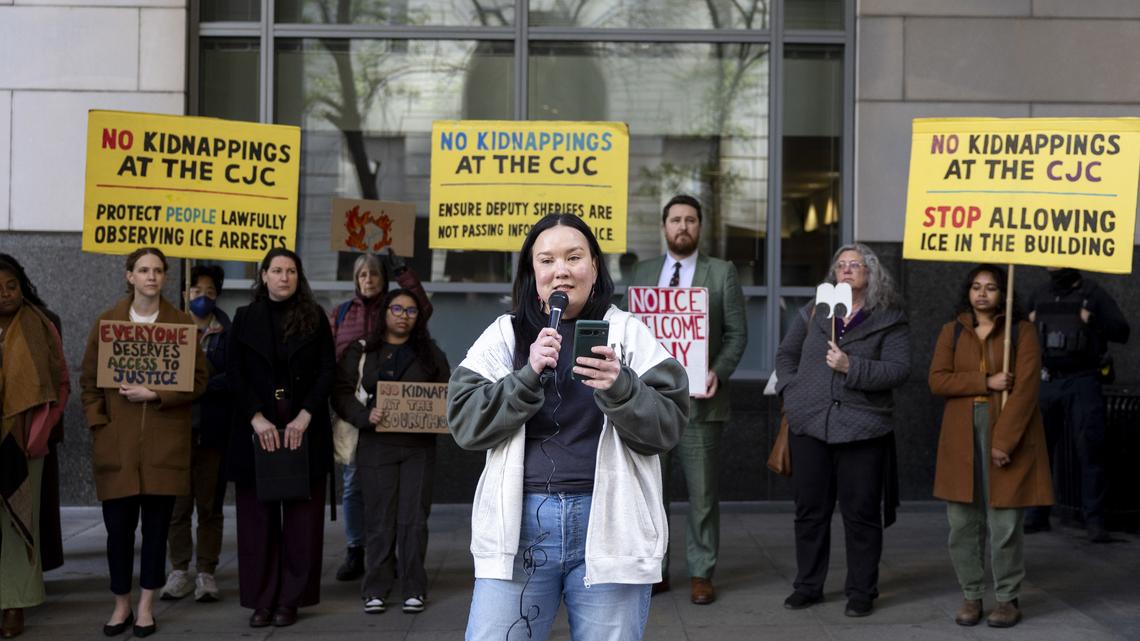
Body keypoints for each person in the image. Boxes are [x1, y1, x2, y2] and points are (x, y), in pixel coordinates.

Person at [449, 213, 688, 641]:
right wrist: (524, 377)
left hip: (609, 523)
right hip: (521, 529)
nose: (561, 269)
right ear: (532, 273)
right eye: (547, 260)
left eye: (574, 257)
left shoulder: (629, 334)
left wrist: (621, 387)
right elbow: (465, 424)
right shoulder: (506, 335)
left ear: (595, 267)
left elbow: (667, 429)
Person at [774, 243, 909, 618]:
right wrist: (792, 388)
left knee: (862, 513)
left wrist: (853, 366)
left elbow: (899, 369)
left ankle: (862, 590)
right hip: (810, 423)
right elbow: (786, 355)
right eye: (841, 264)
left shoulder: (890, 317)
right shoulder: (815, 311)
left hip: (864, 428)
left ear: (872, 272)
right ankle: (808, 586)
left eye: (856, 264)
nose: (847, 269)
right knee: (810, 511)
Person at [80, 247, 209, 638]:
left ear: (165, 277)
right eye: (143, 270)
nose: (151, 277)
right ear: (129, 275)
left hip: (162, 448)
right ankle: (120, 605)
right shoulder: (107, 322)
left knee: (155, 533)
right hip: (116, 447)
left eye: (157, 270)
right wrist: (99, 425)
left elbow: (200, 381)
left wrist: (157, 394)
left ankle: (146, 608)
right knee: (118, 533)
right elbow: (88, 383)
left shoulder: (181, 324)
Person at [624, 194, 747, 603]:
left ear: (700, 227)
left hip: (701, 403)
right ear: (664, 227)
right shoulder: (641, 272)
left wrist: (717, 371)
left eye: (690, 220)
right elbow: (628, 332)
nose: (683, 227)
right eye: (675, 220)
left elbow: (736, 334)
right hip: (651, 404)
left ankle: (701, 572)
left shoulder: (721, 272)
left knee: (702, 496)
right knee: (651, 494)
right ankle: (655, 568)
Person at [928, 264, 1054, 628]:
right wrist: (986, 381)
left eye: (991, 288)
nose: (982, 293)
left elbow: (1027, 389)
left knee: (1005, 523)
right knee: (962, 522)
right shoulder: (951, 332)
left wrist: (1004, 441)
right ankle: (971, 595)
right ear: (968, 291)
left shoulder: (1021, 331)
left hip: (1005, 429)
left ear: (1004, 294)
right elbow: (938, 380)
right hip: (961, 433)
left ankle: (1006, 599)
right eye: (976, 287)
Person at [225, 248, 336, 628]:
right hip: (257, 426)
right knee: (258, 522)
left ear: (297, 276)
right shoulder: (243, 318)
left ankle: (291, 600)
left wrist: (305, 416)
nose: (284, 277)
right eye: (276, 270)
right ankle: (262, 600)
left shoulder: (314, 317)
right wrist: (255, 418)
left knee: (302, 524)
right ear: (264, 276)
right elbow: (233, 372)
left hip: (303, 424)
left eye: (290, 270)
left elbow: (327, 371)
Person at [332, 288, 450, 615]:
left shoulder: (430, 354)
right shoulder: (363, 351)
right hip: (376, 444)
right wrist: (362, 415)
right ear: (384, 312)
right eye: (397, 308)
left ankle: (414, 587)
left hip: (418, 447)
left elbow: (447, 392)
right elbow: (341, 392)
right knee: (379, 519)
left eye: (411, 311)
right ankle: (376, 588)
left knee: (414, 519)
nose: (403, 315)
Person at [329, 254, 433, 582]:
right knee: (353, 483)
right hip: (358, 410)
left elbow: (422, 307)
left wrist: (403, 272)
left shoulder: (396, 306)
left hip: (400, 418)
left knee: (400, 497)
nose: (369, 279)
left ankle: (397, 557)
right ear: (355, 279)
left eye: (374, 274)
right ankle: (356, 548)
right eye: (363, 275)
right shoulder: (342, 313)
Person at [1023, 268, 1129, 542]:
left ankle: (1094, 521)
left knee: (1090, 450)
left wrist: (1092, 319)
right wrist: (1027, 324)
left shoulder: (1092, 293)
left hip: (1083, 379)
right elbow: (1019, 336)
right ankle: (1037, 514)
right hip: (1047, 380)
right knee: (1039, 449)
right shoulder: (1039, 294)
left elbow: (1122, 331)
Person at [0, 257, 69, 639]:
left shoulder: (42, 323)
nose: (6, 294)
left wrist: (40, 432)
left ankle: (15, 603)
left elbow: (61, 381)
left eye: (11, 285)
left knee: (18, 522)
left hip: (24, 440)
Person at [160, 264, 231, 603]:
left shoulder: (227, 332)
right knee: (177, 505)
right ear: (185, 293)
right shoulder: (172, 327)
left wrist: (196, 385)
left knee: (209, 505)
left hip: (213, 430)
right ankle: (179, 569)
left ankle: (206, 570)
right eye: (197, 291)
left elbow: (233, 378)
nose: (203, 297)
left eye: (210, 292)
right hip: (177, 430)